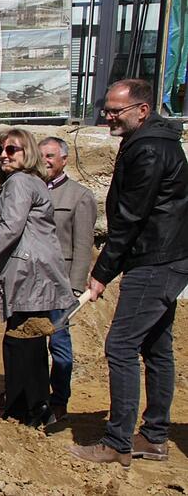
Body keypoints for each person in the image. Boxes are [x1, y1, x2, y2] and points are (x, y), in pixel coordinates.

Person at [68, 79, 188, 467]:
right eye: (106, 109)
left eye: (116, 111)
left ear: (142, 109)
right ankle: (153, 436)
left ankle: (118, 441)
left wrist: (102, 272)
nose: (108, 117)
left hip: (155, 260)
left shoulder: (150, 149)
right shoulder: (151, 141)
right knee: (156, 347)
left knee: (120, 347)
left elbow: (131, 218)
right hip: (164, 257)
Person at [0, 128, 75, 427]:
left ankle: (25, 412)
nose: (4, 155)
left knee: (20, 343)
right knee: (30, 342)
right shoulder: (28, 181)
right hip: (33, 273)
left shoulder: (20, 182)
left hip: (29, 274)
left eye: (12, 150)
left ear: (28, 153)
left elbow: (9, 229)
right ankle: (36, 409)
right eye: (0, 150)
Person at [39, 136, 97, 422]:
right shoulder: (31, 189)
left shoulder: (79, 196)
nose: (45, 161)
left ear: (64, 159)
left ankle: (59, 398)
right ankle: (31, 392)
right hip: (31, 281)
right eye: (41, 156)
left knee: (59, 343)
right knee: (29, 340)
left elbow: (83, 245)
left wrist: (75, 286)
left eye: (50, 156)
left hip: (60, 282)